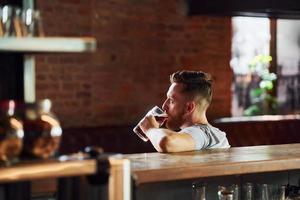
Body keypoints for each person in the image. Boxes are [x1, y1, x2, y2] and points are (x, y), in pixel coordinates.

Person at [139, 70, 230, 152]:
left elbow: (167, 142)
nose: (164, 106)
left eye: (171, 101)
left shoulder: (203, 133)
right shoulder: (212, 134)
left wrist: (150, 130)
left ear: (189, 108)